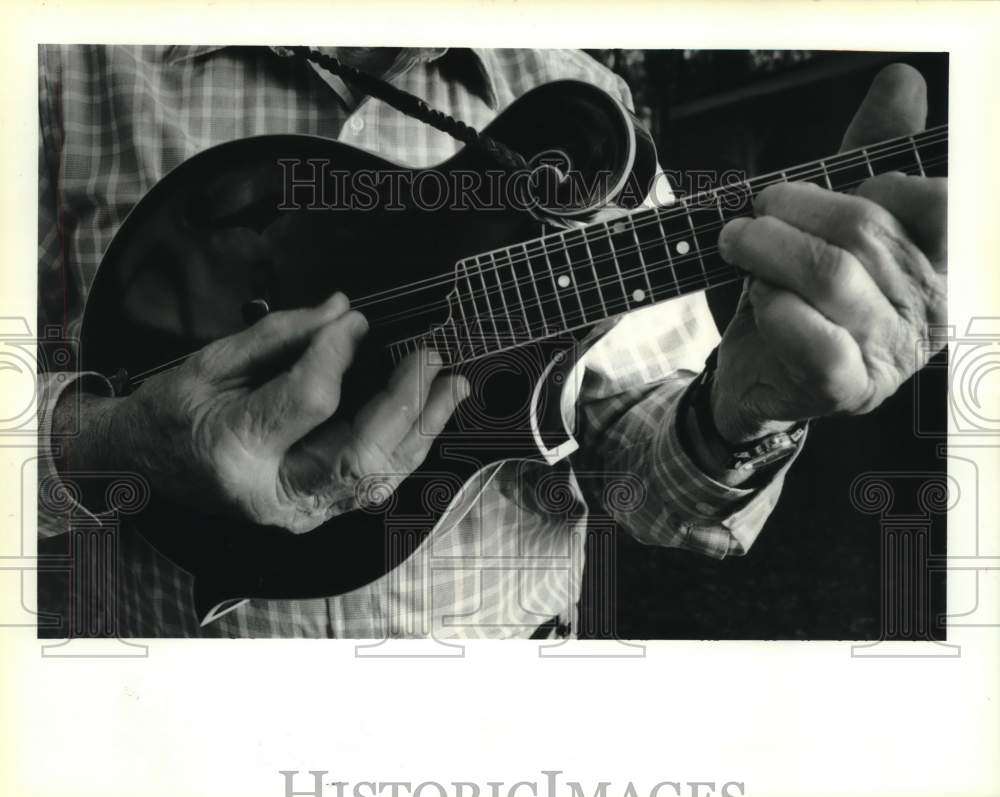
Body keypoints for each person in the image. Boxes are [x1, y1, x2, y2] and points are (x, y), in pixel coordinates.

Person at [37, 46, 946, 638]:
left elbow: (632, 478)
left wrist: (741, 411)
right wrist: (105, 445)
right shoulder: (65, 73)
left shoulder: (581, 106)